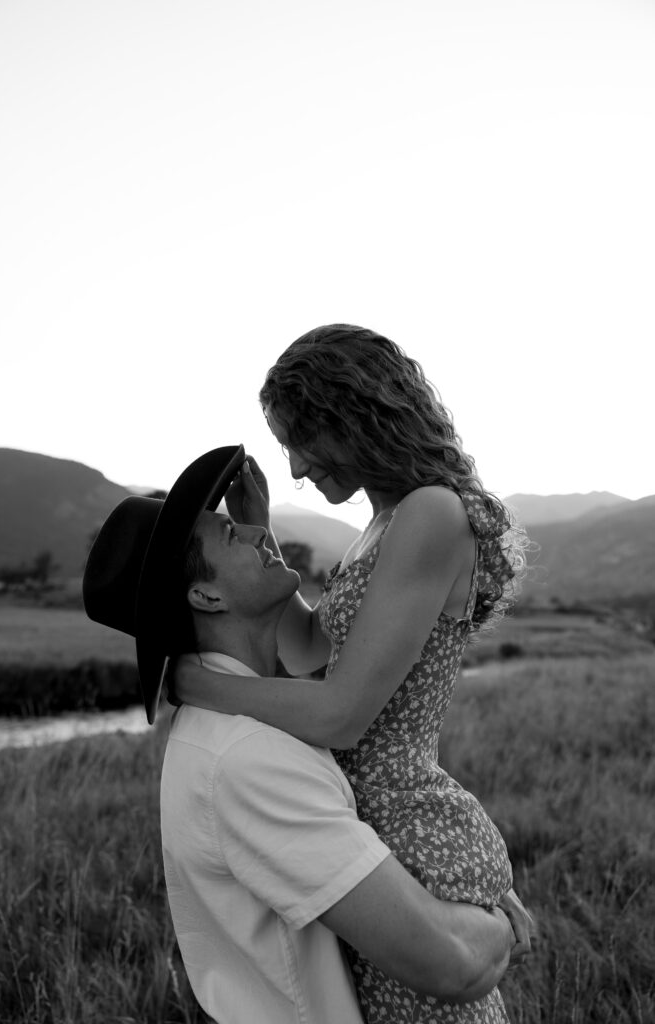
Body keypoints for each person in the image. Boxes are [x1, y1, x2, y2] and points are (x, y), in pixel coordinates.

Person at [83, 445, 531, 1024]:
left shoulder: (249, 723)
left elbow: (314, 670)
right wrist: (495, 920)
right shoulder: (249, 759)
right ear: (207, 596)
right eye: (229, 534)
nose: (250, 533)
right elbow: (451, 964)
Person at [173, 327, 533, 1023]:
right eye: (285, 449)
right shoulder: (382, 519)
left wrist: (200, 685)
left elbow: (341, 713)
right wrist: (260, 529)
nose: (298, 468)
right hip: (352, 816)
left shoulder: (430, 512)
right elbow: (311, 648)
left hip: (400, 819)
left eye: (303, 441)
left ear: (356, 417)